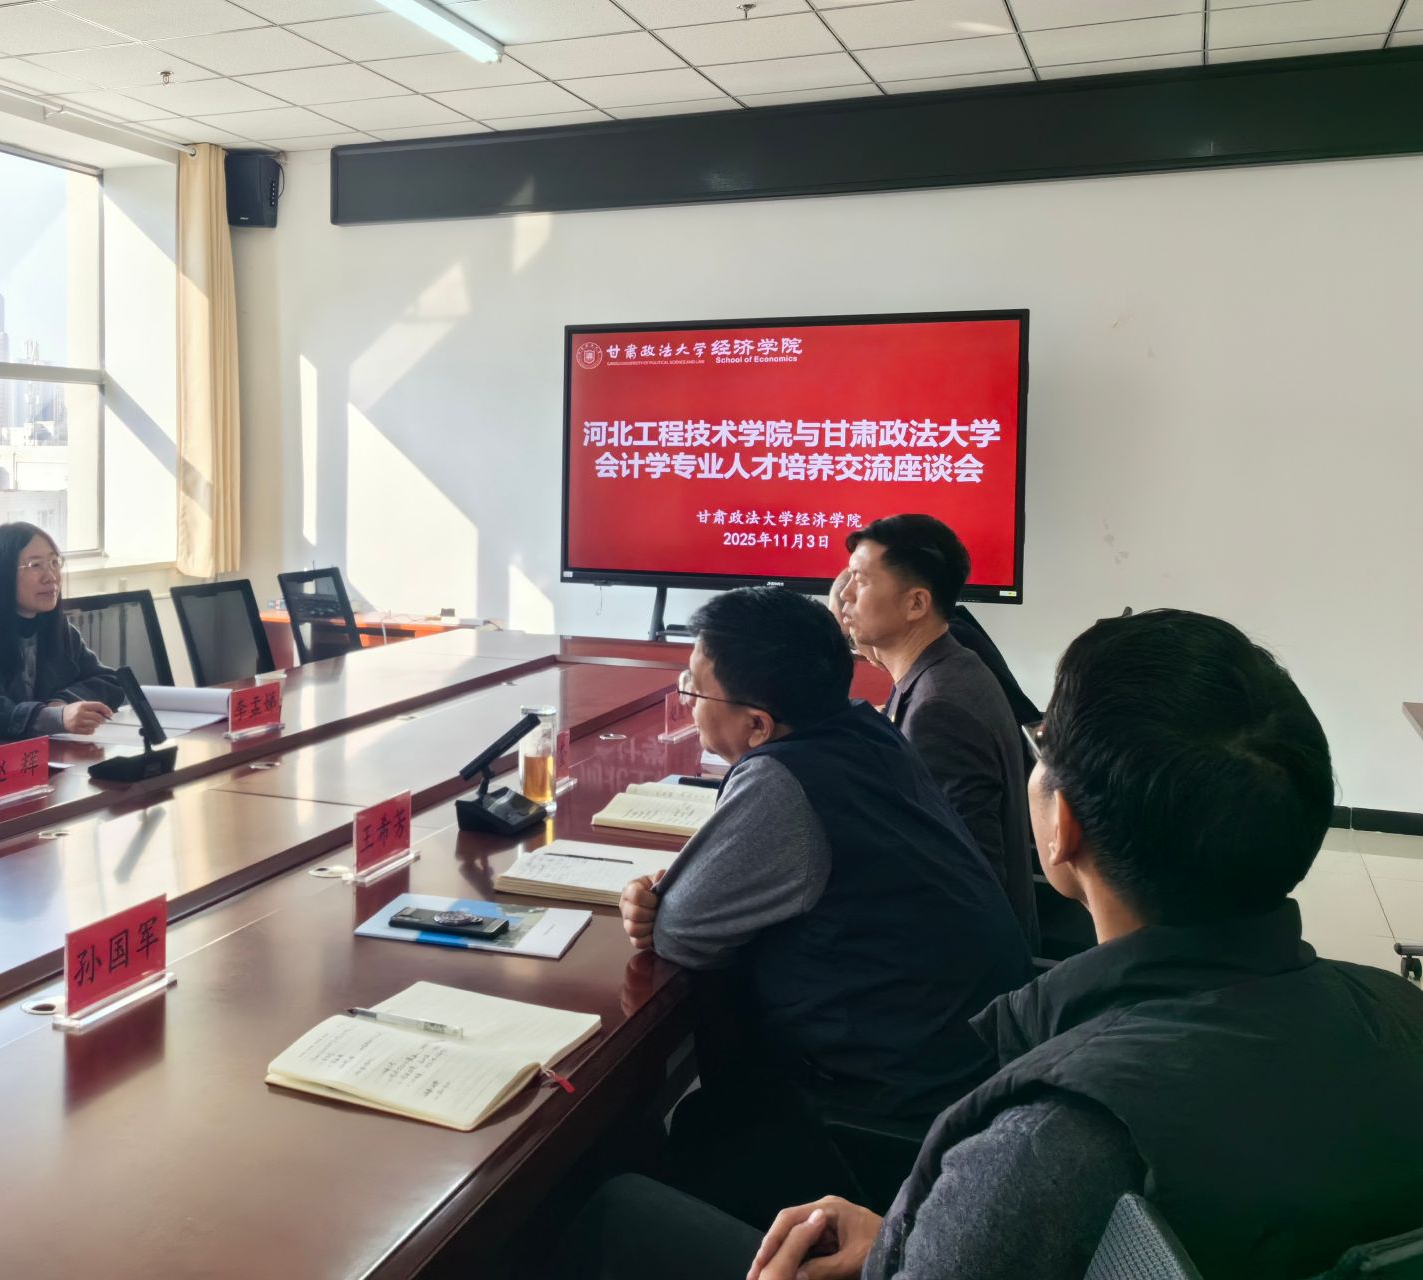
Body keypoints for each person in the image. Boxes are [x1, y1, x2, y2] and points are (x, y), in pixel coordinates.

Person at [573, 610, 1423, 1280]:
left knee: (613, 1211)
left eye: (1042, 749)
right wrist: (901, 1237)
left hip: (885, 1115)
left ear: (1062, 828)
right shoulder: (1399, 1008)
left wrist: (918, 1240)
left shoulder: (1051, 1138)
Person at [618, 586, 1032, 1223]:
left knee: (649, 1168)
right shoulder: (867, 730)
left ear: (758, 725)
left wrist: (661, 901)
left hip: (886, 1111)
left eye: (694, 690)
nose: (688, 704)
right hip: (964, 1075)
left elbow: (680, 931)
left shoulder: (782, 780)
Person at [834, 514, 1038, 944]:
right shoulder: (949, 665)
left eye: (860, 581)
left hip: (962, 963)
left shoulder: (938, 710)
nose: (845, 595)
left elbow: (961, 880)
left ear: (916, 604)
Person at [0, 522, 123, 747]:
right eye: (35, 565)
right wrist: (49, 717)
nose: (51, 576)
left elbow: (109, 681)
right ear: (0, 574)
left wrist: (61, 703)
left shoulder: (54, 627)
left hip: (31, 752)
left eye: (54, 562)